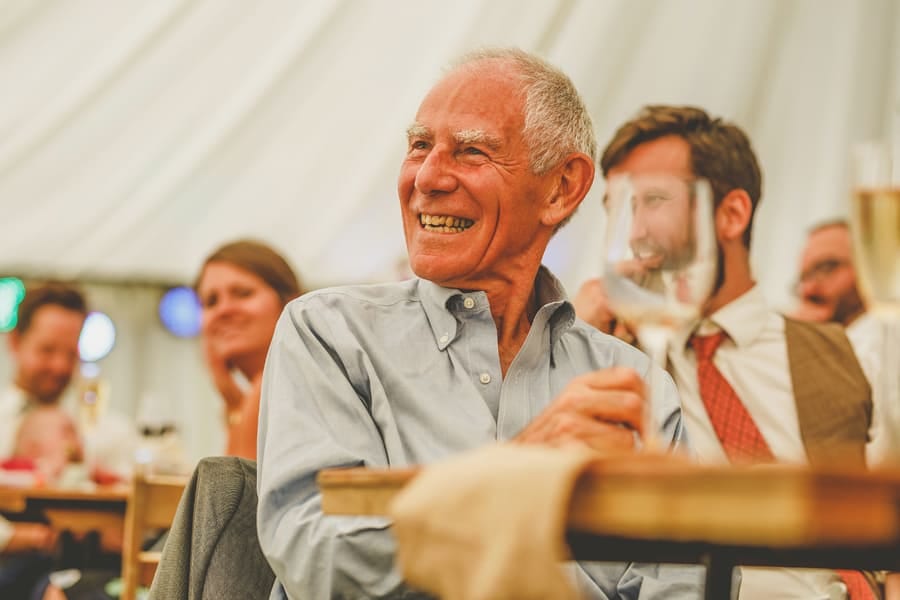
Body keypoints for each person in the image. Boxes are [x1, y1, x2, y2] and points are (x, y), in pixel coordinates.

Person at [257, 48, 698, 599]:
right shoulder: (328, 333)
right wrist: (517, 475)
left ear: (561, 188)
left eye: (470, 151)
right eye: (419, 145)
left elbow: (685, 585)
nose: (428, 177)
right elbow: (320, 561)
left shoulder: (634, 384)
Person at [577, 105, 880, 599]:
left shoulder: (854, 355)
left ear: (732, 214)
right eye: (619, 208)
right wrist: (577, 344)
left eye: (653, 200)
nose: (632, 234)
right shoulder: (605, 355)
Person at [0, 282, 86, 599]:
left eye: (71, 353)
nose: (61, 367)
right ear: (16, 342)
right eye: (47, 350)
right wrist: (17, 537)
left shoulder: (91, 427)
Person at [792, 219, 900, 464]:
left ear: (871, 265)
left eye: (827, 267)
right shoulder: (821, 348)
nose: (810, 289)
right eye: (804, 277)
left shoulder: (882, 337)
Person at [195, 239, 302, 460]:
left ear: (289, 303)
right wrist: (234, 402)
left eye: (243, 293)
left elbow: (231, 493)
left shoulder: (274, 385)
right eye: (211, 301)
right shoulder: (263, 390)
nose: (223, 309)